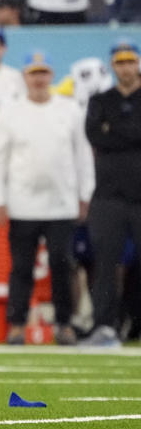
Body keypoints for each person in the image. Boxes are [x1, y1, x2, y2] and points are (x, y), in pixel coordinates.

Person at [0, 50, 93, 345]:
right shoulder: (11, 110)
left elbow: (82, 156)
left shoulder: (69, 109)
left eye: (43, 72)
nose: (38, 79)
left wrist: (84, 194)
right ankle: (17, 325)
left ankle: (64, 324)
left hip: (61, 203)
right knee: (20, 267)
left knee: (61, 264)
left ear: (51, 76)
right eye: (33, 73)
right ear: (25, 77)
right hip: (21, 203)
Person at [82, 40, 141, 347]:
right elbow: (93, 135)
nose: (126, 67)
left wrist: (113, 130)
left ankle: (133, 324)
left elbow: (107, 136)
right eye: (120, 62)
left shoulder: (107, 108)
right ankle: (104, 326)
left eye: (130, 61)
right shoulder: (101, 100)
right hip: (108, 196)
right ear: (113, 66)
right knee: (104, 264)